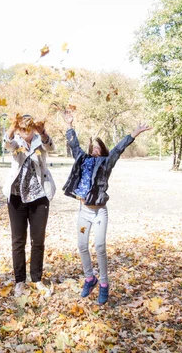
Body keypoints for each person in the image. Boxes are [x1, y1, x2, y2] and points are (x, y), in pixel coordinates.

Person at [62, 109, 151, 305]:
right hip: (84, 213)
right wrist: (69, 125)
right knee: (82, 246)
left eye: (97, 147)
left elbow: (119, 148)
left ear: (102, 150)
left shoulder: (106, 162)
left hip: (99, 212)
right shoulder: (82, 159)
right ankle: (89, 278)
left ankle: (103, 284)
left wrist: (134, 133)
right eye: (92, 147)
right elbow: (74, 144)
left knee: (100, 246)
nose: (94, 149)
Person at [2, 114, 56, 297]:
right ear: (19, 129)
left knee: (37, 240)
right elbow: (6, 144)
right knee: (18, 241)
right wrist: (11, 128)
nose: (26, 132)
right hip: (16, 196)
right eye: (22, 129)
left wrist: (43, 133)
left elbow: (51, 147)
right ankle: (19, 281)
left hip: (39, 196)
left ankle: (37, 278)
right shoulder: (15, 142)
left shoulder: (40, 141)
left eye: (29, 128)